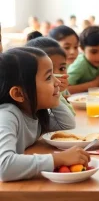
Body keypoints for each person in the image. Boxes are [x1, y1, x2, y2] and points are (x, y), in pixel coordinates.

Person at [0, 47, 89, 182]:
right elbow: (4, 167)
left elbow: (66, 125)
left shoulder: (36, 113)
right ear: (19, 93)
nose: (58, 82)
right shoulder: (7, 115)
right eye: (48, 77)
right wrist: (59, 158)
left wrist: (55, 94)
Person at [26, 37, 75, 115]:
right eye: (50, 71)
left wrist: (60, 93)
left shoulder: (61, 89)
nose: (58, 76)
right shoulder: (36, 100)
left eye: (62, 68)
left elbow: (72, 113)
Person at [67, 26, 99, 94]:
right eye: (93, 52)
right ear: (82, 49)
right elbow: (63, 90)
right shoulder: (80, 64)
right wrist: (93, 84)